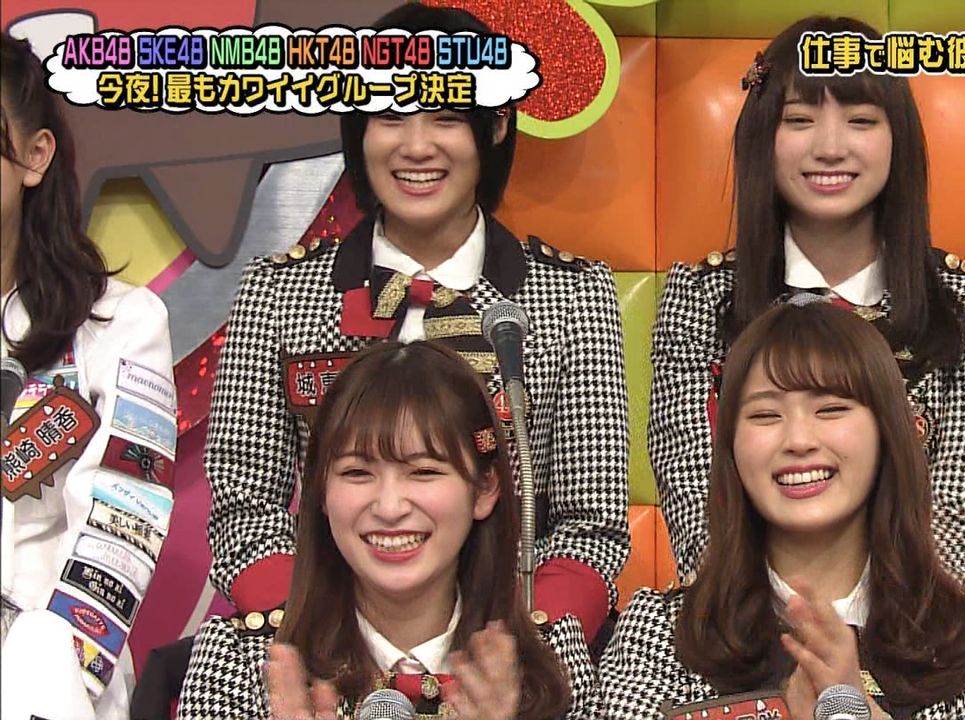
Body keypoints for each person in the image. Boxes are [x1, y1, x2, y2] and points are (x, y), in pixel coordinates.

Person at [204, 4, 630, 648]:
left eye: (447, 118)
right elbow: (245, 508)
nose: (416, 146)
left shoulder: (573, 295)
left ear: (496, 124)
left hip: (516, 647)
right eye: (390, 115)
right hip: (324, 647)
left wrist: (518, 649)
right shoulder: (278, 292)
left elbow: (589, 523)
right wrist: (328, 639)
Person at [649, 15, 965, 590]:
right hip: (745, 620)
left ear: (897, 138)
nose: (829, 148)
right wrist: (794, 615)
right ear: (762, 138)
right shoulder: (700, 299)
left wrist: (859, 616)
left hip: (918, 619)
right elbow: (699, 513)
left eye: (861, 120)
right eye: (799, 120)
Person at [602, 299, 965, 719]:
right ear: (731, 447)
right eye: (765, 415)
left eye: (831, 409)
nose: (798, 440)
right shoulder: (662, 633)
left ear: (888, 434)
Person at [179, 341, 597, 719]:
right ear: (320, 490)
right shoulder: (240, 663)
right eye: (357, 473)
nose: (390, 507)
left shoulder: (548, 661)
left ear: (484, 489)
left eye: (423, 471)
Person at [1, 30, 176, 720]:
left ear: (35, 155)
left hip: (48, 682)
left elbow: (125, 519)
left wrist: (45, 675)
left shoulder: (121, 323)